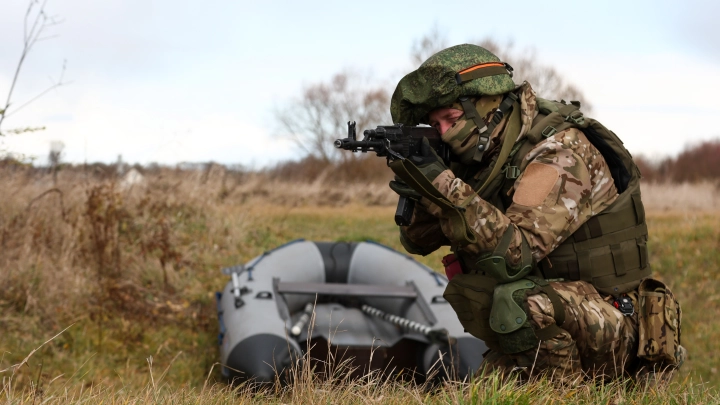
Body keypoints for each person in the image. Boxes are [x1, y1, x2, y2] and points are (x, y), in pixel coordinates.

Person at [387, 44, 685, 383]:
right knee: (483, 390)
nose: (444, 134)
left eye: (451, 120)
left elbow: (516, 256)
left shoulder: (559, 150)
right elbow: (417, 242)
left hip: (618, 322)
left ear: (489, 106)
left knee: (519, 302)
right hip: (556, 313)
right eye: (434, 125)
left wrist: (443, 184)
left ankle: (569, 393)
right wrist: (421, 182)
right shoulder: (482, 157)